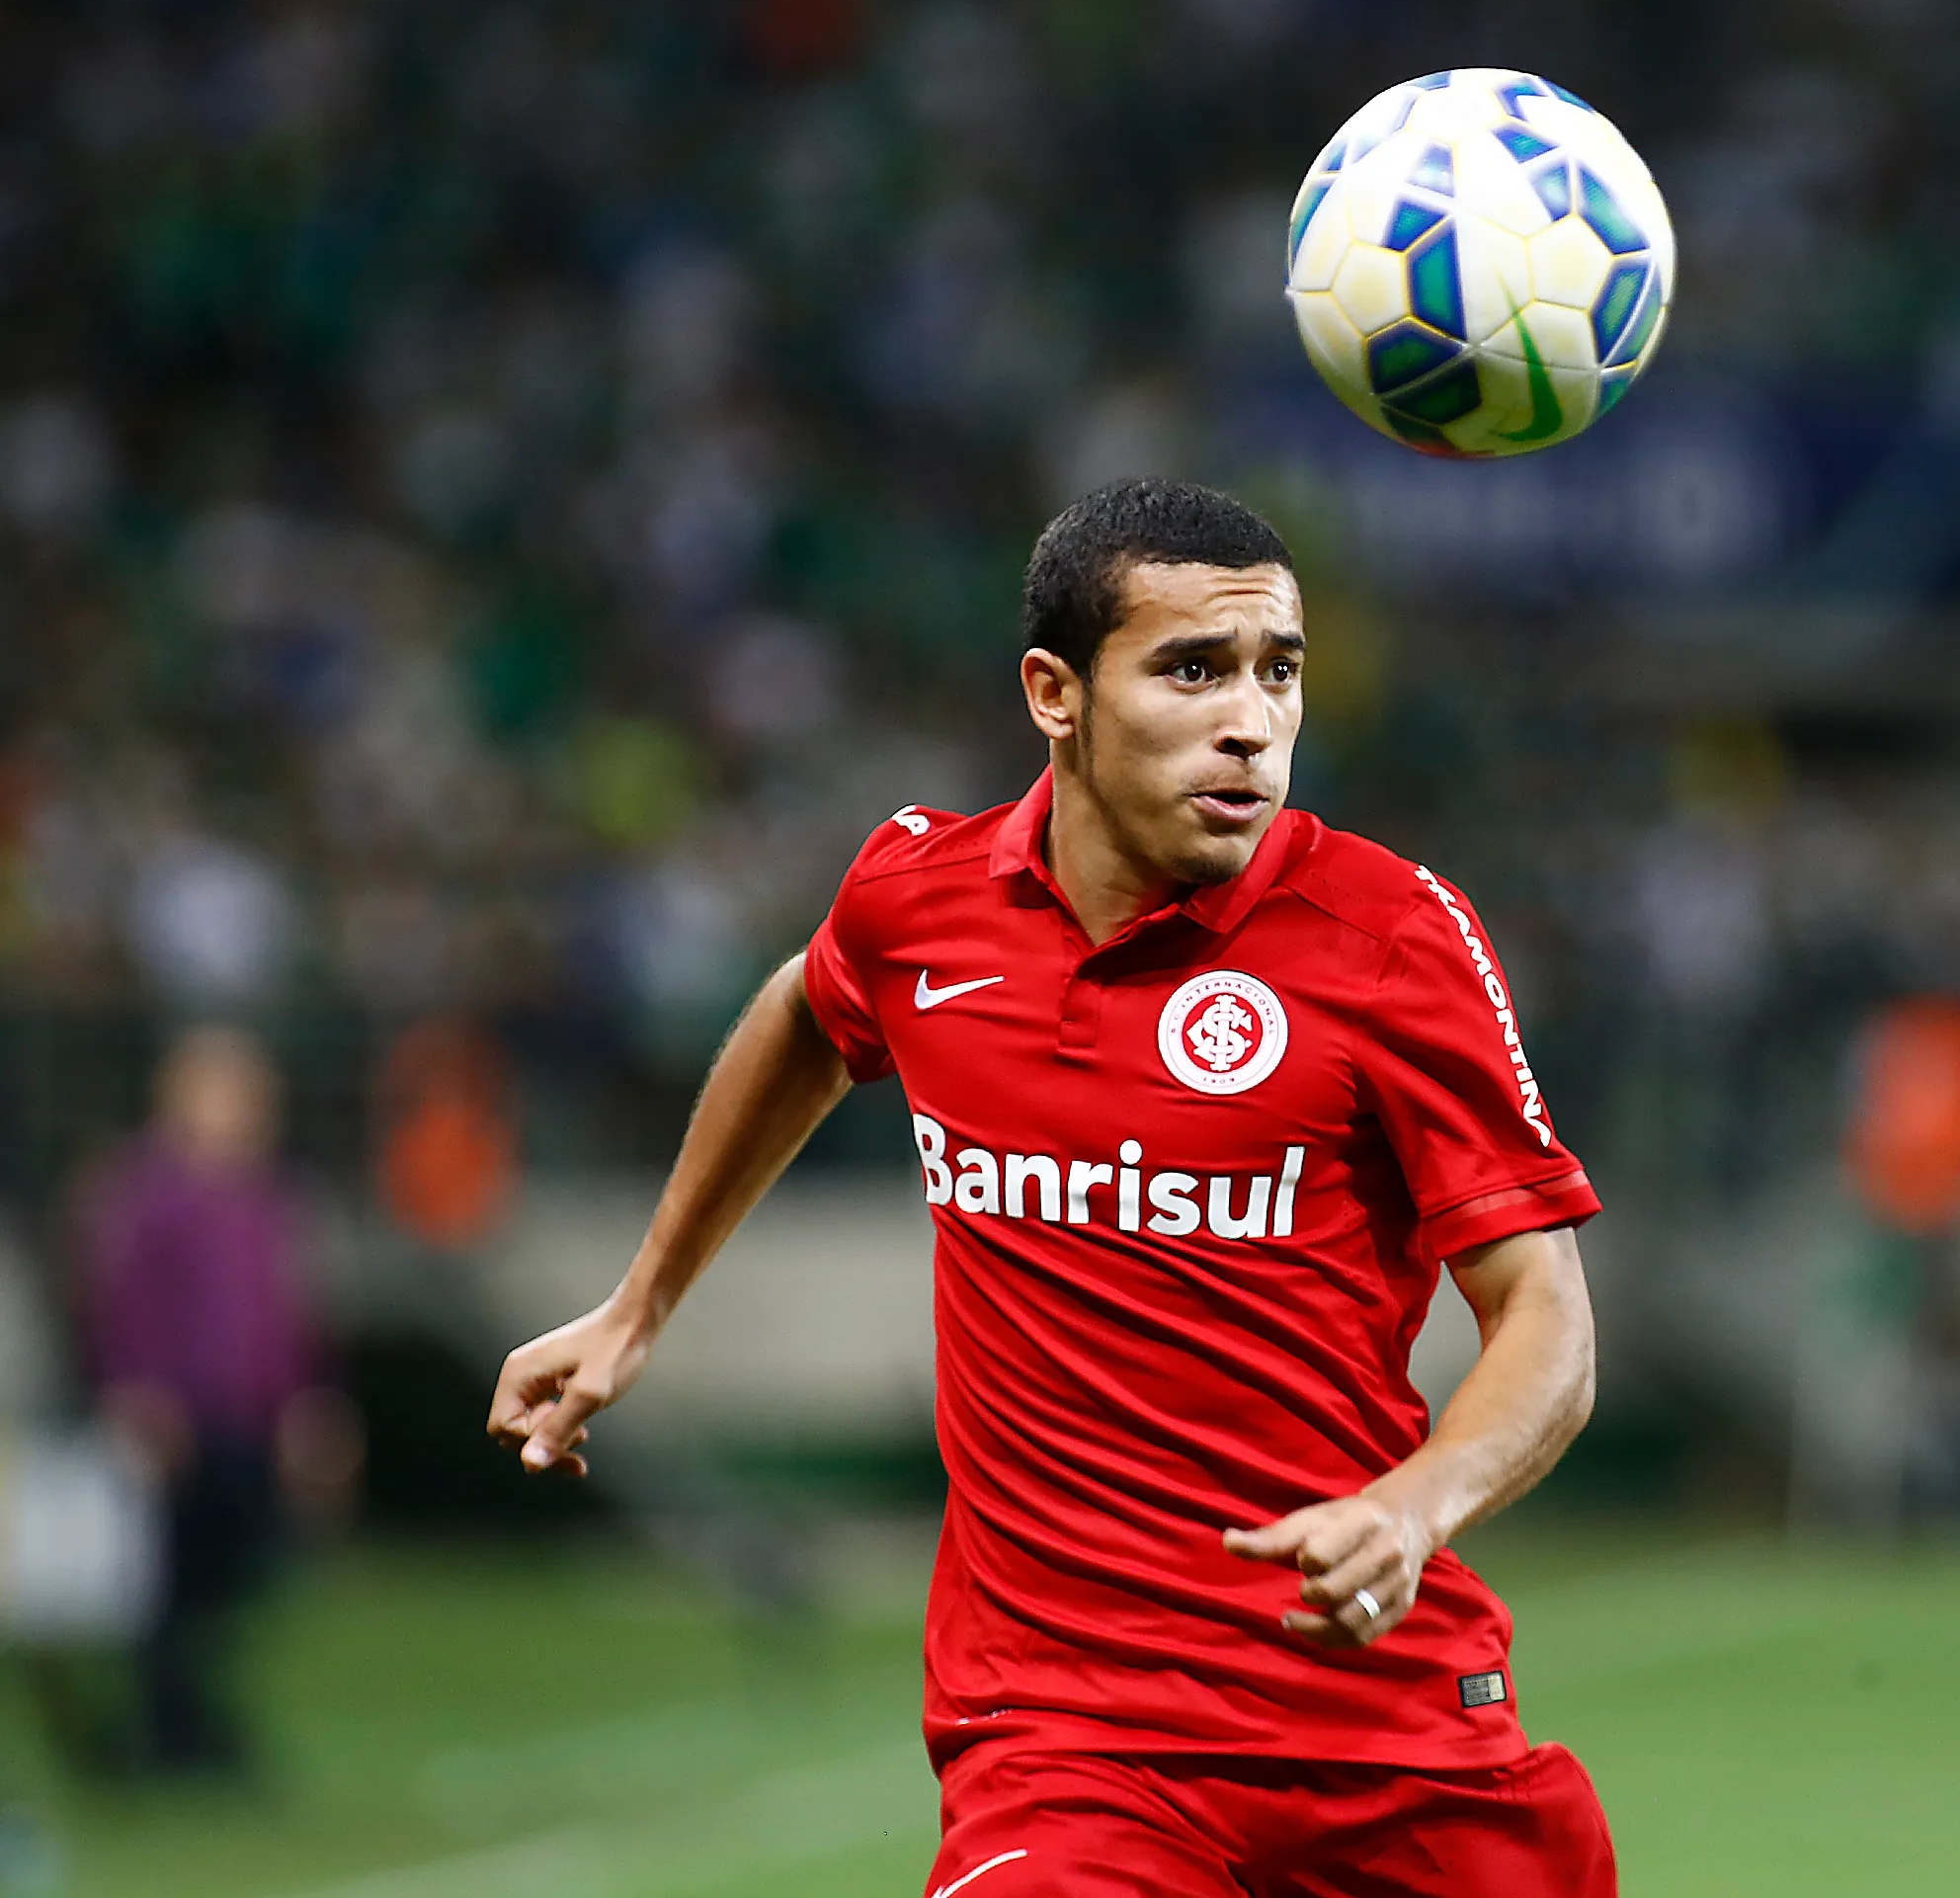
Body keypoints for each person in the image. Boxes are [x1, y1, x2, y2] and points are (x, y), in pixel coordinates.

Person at [488, 478, 1615, 1896]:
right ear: (1054, 693)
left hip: (1375, 1736)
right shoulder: (919, 897)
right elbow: (806, 1009)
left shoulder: (1393, 937)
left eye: (1280, 673)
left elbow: (1549, 1325)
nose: (1251, 720)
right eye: (1192, 669)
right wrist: (639, 1305)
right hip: (1066, 1743)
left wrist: (1416, 1505)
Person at [74, 1025, 345, 1778]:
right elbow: (121, 1306)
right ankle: (165, 1732)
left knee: (237, 1578)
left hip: (246, 1419)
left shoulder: (267, 1197)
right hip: (177, 1420)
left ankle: (195, 1721)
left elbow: (288, 1316)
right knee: (168, 1584)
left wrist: (304, 1405)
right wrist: (135, 1392)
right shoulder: (146, 1193)